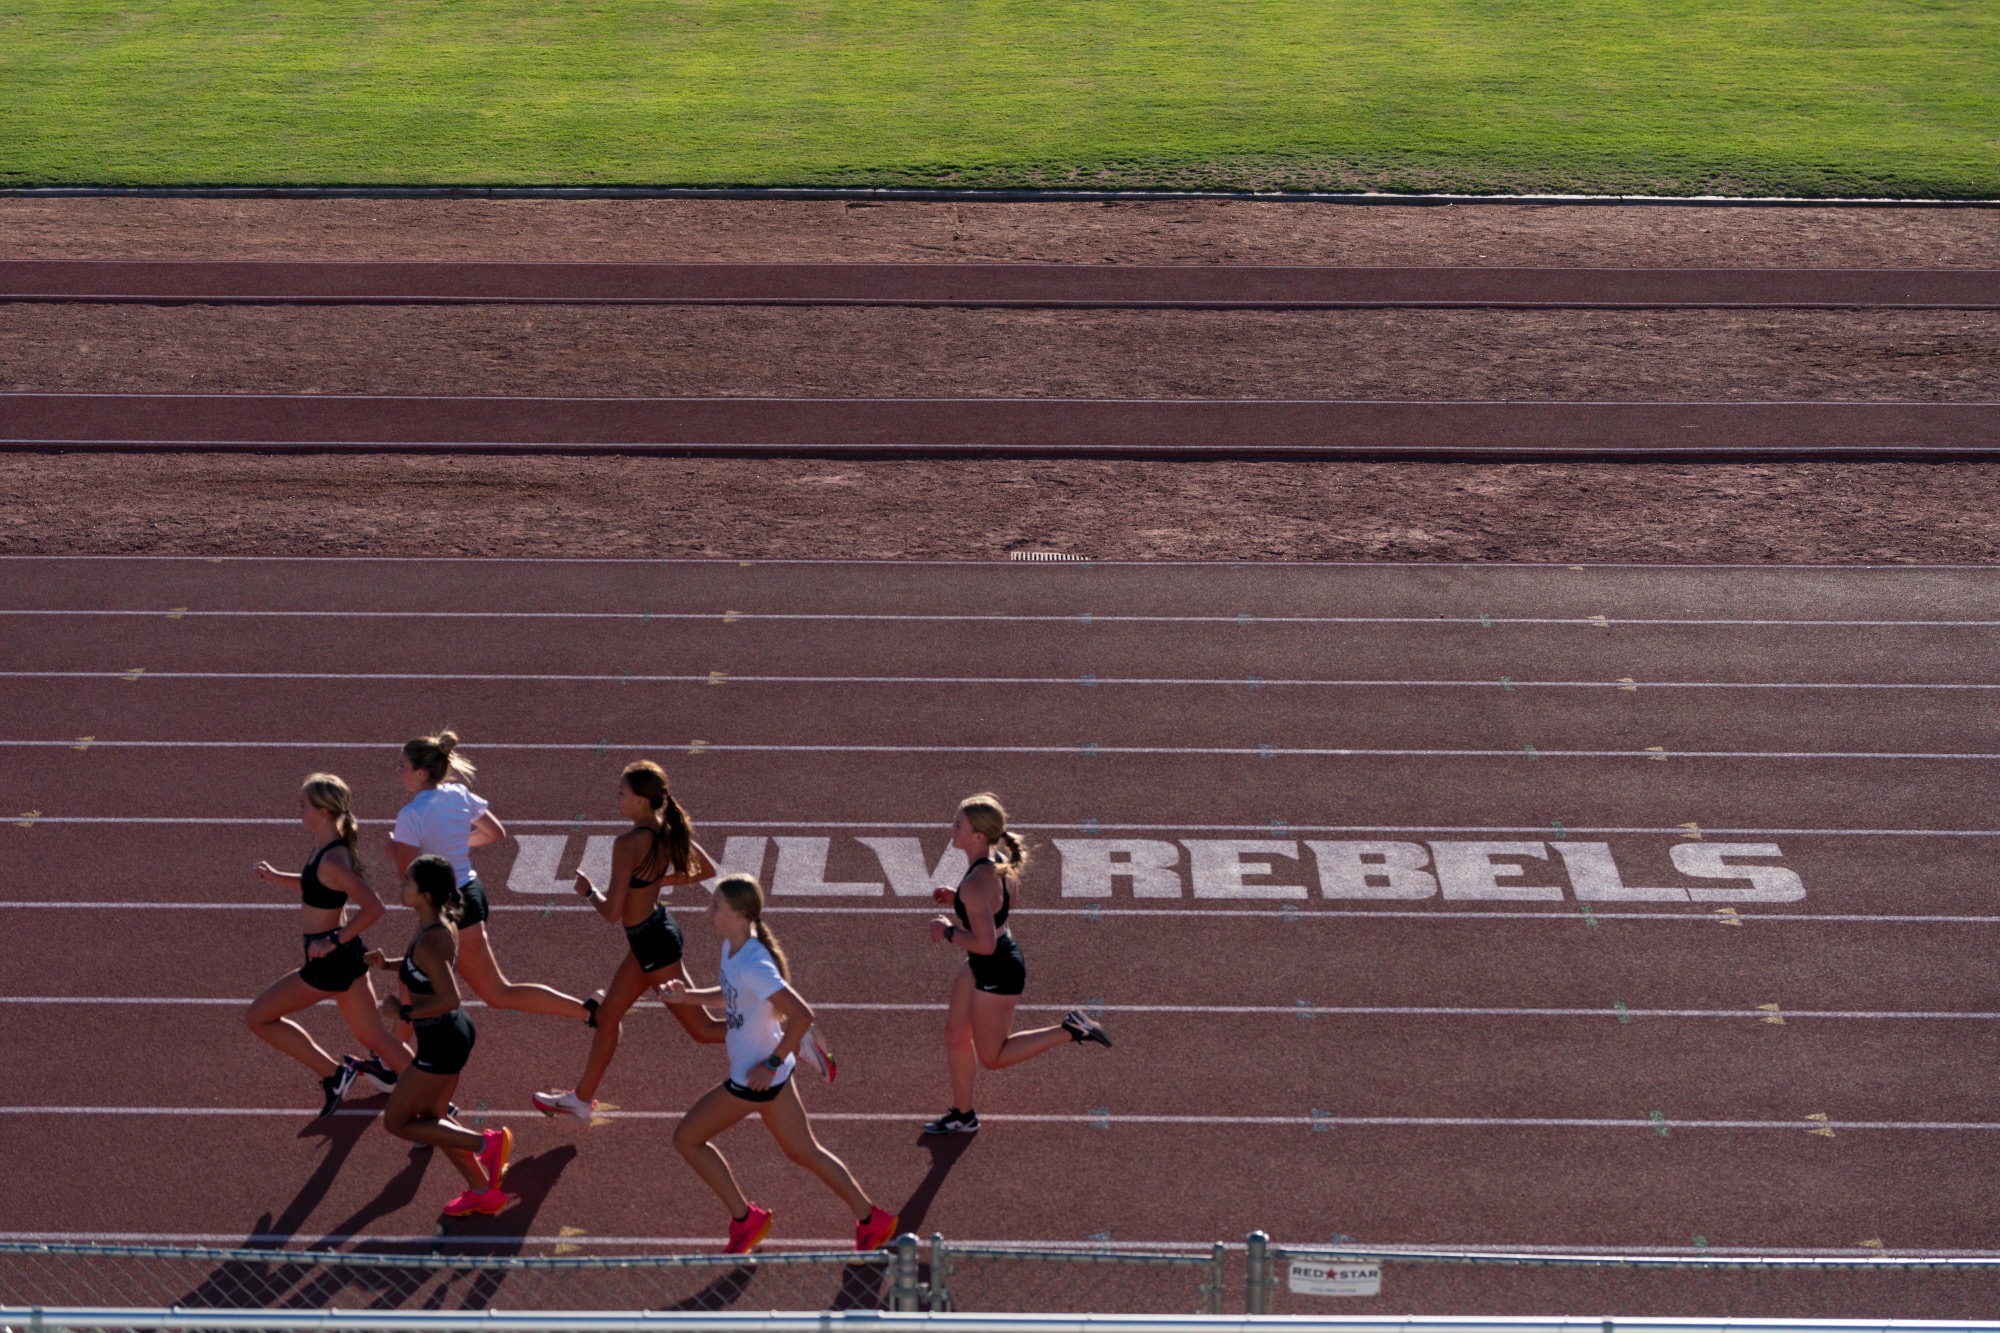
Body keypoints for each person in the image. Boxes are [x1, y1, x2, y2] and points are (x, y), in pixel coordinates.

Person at [661, 874, 898, 1255]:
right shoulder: (732, 949)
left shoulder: (754, 964)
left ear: (739, 914)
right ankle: (872, 1219)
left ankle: (745, 1220)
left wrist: (769, 1064)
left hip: (755, 1079)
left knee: (686, 1139)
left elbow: (803, 1014)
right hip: (773, 1076)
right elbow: (730, 993)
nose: (710, 911)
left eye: (716, 906)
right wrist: (688, 997)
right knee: (804, 1151)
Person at [534, 761, 751, 1121]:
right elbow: (707, 871)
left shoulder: (627, 844)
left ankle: (780, 1037)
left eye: (622, 793)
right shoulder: (667, 830)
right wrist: (660, 884)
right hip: (653, 933)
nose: (616, 798)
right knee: (607, 1017)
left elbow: (612, 912)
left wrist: (589, 892)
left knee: (703, 1029)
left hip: (651, 944)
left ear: (640, 802)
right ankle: (581, 1099)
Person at [923, 793, 1110, 1136]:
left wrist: (948, 931)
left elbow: (983, 942)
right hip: (989, 961)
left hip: (997, 970)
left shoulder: (977, 882)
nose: (951, 829)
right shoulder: (996, 863)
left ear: (978, 836)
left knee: (993, 1057)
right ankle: (963, 1115)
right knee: (955, 1036)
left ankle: (1070, 1030)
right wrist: (958, 900)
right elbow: (998, 909)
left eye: (958, 825)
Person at [390, 731, 595, 1025]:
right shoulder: (459, 793)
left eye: (402, 766)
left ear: (421, 773)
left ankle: (587, 1011)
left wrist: (395, 849)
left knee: (495, 993)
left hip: (450, 906)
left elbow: (406, 873)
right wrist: (454, 844)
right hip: (472, 892)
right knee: (411, 982)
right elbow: (495, 832)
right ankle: (392, 1060)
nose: (399, 772)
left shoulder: (410, 815)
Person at [246, 773, 411, 1118]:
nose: (299, 811)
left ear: (323, 811)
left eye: (303, 805)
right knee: (379, 1039)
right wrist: (276, 876)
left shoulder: (333, 860)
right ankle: (428, 1094)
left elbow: (375, 907)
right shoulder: (325, 847)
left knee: (259, 1018)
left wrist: (332, 940)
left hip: (329, 962)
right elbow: (315, 886)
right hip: (343, 960)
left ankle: (334, 1074)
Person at [366, 855, 517, 1218]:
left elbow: (450, 998)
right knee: (434, 1119)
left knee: (396, 1121)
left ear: (427, 894)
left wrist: (402, 1012)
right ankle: (483, 1191)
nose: (402, 885)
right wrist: (389, 965)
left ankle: (487, 1142)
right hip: (451, 1035)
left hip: (442, 1041)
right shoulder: (438, 923)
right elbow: (427, 969)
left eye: (408, 882)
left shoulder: (431, 939)